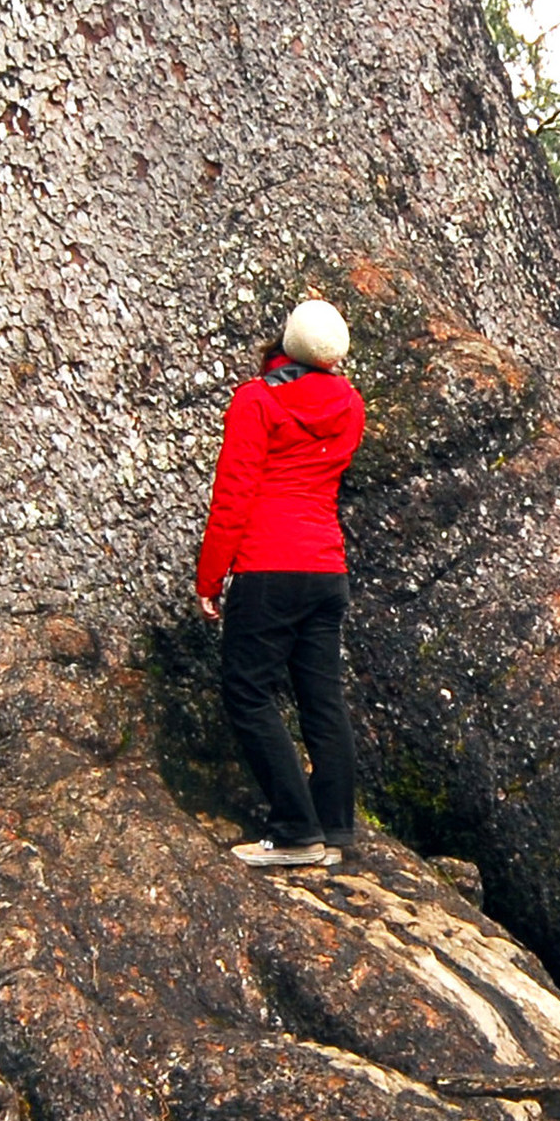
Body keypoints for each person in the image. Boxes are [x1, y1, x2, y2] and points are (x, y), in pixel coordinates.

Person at [195, 298, 366, 869]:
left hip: (268, 564)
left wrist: (210, 576)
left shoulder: (256, 399)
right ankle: (334, 829)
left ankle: (295, 831)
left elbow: (234, 494)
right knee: (322, 699)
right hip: (326, 567)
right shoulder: (350, 404)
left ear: (288, 342)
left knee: (248, 693)